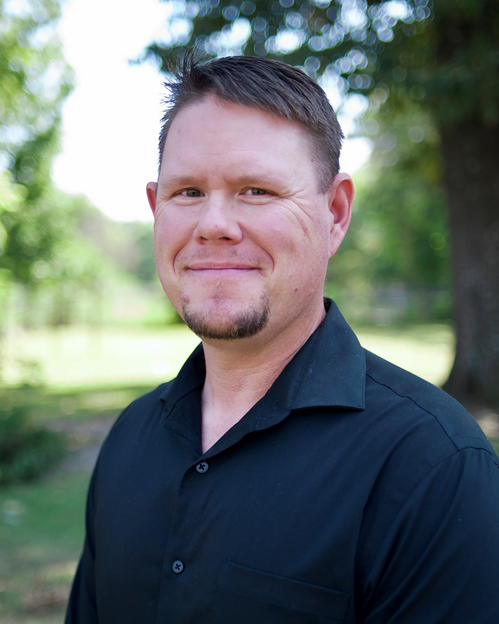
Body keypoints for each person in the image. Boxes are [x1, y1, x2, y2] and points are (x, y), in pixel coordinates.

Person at [65, 55, 499, 624]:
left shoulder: (433, 467)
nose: (213, 224)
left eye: (256, 190)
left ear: (335, 213)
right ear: (155, 209)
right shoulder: (129, 437)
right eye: (188, 192)